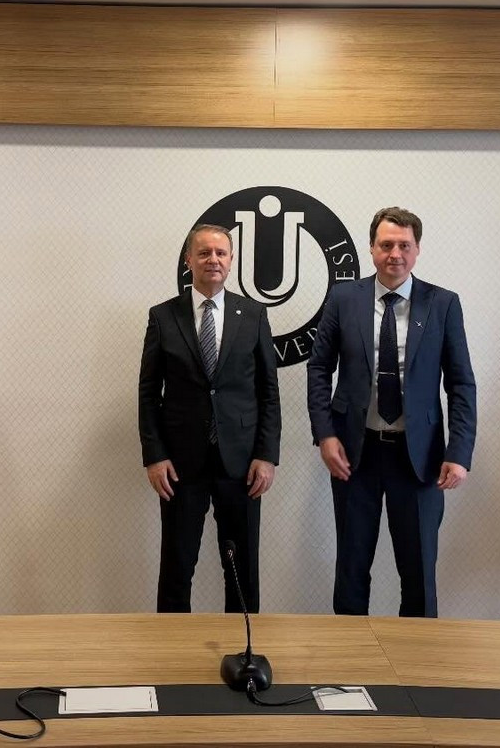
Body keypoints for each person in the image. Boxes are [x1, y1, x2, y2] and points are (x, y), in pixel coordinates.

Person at [306, 206, 476, 617]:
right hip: (355, 454)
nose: (394, 254)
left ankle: (417, 655)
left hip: (419, 458)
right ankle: (351, 652)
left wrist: (459, 452)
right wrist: (325, 434)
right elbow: (319, 368)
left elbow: (461, 383)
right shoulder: (344, 298)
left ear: (417, 250)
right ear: (371, 248)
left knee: (418, 573)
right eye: (386, 245)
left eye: (404, 245)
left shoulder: (443, 304)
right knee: (352, 568)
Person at [138, 224, 281, 613]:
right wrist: (155, 455)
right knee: (177, 567)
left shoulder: (254, 315)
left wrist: (266, 455)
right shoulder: (163, 316)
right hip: (181, 465)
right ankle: (172, 647)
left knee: (241, 570)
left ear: (232, 260)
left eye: (220, 253)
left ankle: (242, 644)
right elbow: (148, 393)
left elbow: (268, 391)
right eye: (204, 253)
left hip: (243, 464)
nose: (212, 260)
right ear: (189, 260)